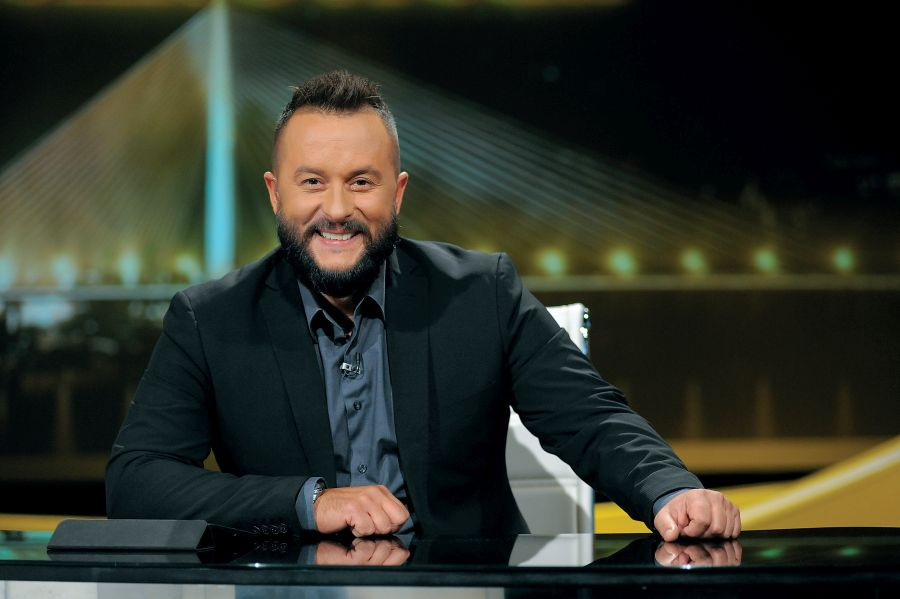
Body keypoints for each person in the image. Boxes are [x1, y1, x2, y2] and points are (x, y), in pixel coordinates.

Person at [106, 70, 740, 541]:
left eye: (361, 182)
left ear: (398, 192)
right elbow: (136, 480)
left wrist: (670, 491)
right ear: (275, 194)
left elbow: (591, 418)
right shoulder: (209, 319)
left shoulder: (482, 292)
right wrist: (309, 503)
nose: (336, 209)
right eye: (312, 182)